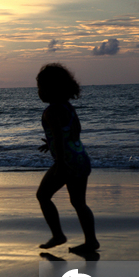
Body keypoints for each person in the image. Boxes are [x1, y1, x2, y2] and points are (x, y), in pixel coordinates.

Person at [36, 63, 99, 255]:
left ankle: (58, 235)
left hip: (66, 162)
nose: (38, 91)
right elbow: (73, 132)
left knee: (43, 195)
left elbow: (57, 133)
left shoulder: (51, 111)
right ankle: (91, 241)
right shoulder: (68, 107)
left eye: (40, 87)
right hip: (81, 158)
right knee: (79, 202)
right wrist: (52, 144)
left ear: (51, 89)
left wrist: (60, 162)